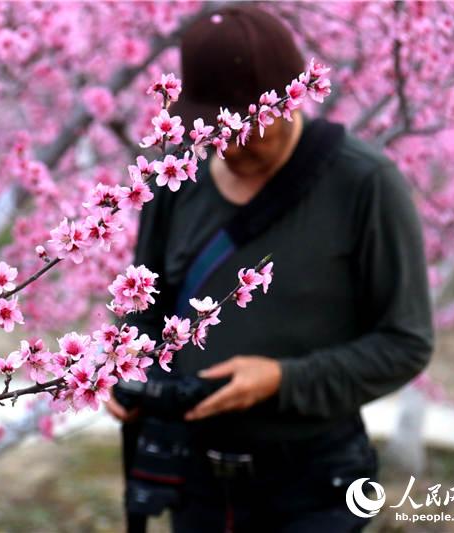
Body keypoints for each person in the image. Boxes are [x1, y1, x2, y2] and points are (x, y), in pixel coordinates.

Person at [107, 6, 434, 533]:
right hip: (195, 482)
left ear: (290, 99)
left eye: (244, 124)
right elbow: (145, 307)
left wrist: (282, 379)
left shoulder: (364, 184)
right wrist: (127, 369)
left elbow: (406, 341)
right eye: (213, 128)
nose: (228, 143)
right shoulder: (177, 180)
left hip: (313, 482)